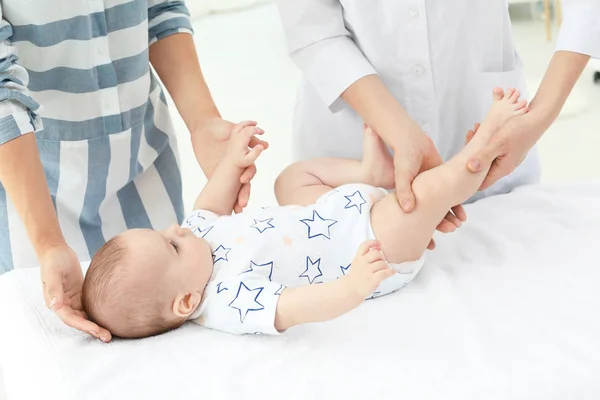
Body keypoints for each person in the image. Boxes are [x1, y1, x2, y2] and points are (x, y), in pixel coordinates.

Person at [81, 87, 527, 339]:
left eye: (163, 231)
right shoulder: (226, 301)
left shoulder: (194, 236)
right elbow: (295, 306)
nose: (175, 229)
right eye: (170, 244)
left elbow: (210, 203)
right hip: (367, 245)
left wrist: (233, 163)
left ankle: (369, 172)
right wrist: (353, 285)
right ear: (185, 302)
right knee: (427, 195)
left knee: (289, 179)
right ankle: (482, 148)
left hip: (325, 212)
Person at [0, 1, 264, 343]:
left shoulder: (172, 243)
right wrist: (49, 242)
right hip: (32, 180)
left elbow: (160, 9)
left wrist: (202, 121)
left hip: (144, 157)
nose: (176, 231)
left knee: (180, 334)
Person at [277, 0, 600, 246]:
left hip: (486, 149)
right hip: (351, 142)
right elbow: (312, 29)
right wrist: (402, 136)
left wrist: (538, 117)